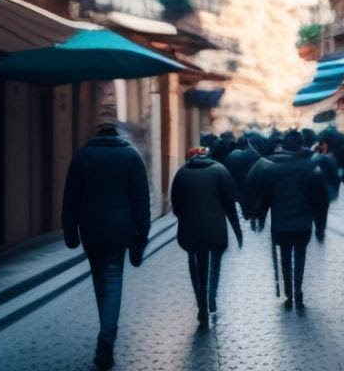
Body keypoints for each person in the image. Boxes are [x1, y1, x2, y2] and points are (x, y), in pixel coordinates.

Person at [62, 122, 151, 370]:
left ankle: (106, 336)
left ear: (97, 134)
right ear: (117, 135)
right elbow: (142, 204)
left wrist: (70, 233)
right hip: (120, 232)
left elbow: (70, 198)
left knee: (101, 282)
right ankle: (106, 341)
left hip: (91, 231)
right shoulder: (131, 156)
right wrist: (140, 242)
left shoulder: (82, 156)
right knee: (111, 282)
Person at [245, 130, 329, 309]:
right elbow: (321, 200)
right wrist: (320, 227)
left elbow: (266, 195)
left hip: (281, 223)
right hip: (303, 223)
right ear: (301, 144)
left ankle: (288, 292)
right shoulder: (311, 166)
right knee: (300, 256)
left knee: (285, 256)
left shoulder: (272, 166)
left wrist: (259, 215)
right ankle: (298, 290)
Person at [171, 146, 243, 329]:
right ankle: (212, 297)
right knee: (215, 263)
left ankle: (201, 304)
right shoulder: (220, 170)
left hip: (191, 231)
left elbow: (176, 206)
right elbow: (230, 205)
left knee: (197, 267)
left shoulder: (181, 174)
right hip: (216, 230)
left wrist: (186, 217)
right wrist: (237, 231)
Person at [220, 135, 263, 228]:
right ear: (248, 144)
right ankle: (253, 220)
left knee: (240, 204)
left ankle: (241, 221)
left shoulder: (232, 155)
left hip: (237, 186)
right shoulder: (254, 154)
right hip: (250, 185)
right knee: (251, 204)